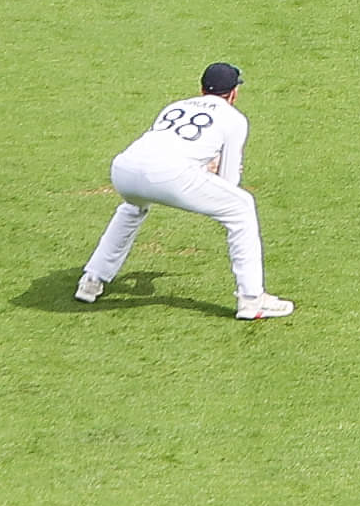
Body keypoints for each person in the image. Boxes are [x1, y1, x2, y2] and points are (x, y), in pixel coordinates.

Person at [78, 63, 294, 317]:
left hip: (124, 170)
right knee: (242, 207)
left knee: (133, 207)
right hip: (169, 175)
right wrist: (209, 172)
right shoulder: (234, 118)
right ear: (234, 93)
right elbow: (228, 181)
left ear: (202, 89)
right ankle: (251, 299)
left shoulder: (175, 106)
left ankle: (91, 281)